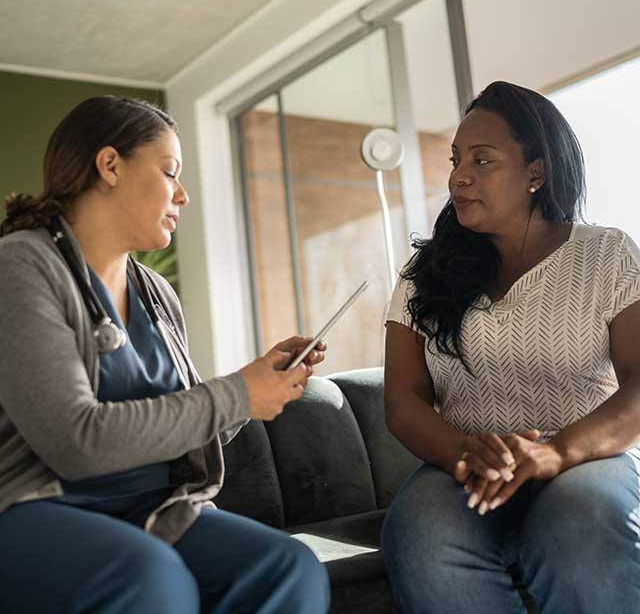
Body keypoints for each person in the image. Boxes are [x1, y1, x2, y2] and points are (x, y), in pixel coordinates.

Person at [0, 96, 331, 614]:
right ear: (109, 165)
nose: (184, 195)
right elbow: (76, 443)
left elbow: (186, 428)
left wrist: (259, 388)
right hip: (35, 506)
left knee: (288, 566)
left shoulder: (155, 291)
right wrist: (236, 394)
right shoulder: (21, 266)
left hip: (153, 506)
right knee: (150, 578)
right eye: (170, 172)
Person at [381, 80, 640, 613]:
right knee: (419, 530)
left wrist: (555, 451)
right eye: (456, 160)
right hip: (468, 463)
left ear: (535, 173)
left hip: (586, 458)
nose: (458, 176)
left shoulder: (607, 256)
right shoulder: (421, 274)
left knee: (581, 520)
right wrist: (459, 450)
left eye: (482, 159)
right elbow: (402, 399)